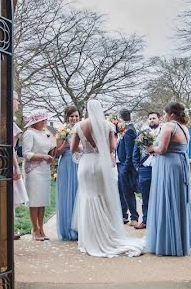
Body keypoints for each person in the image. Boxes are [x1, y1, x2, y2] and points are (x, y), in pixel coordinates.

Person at [70, 99, 143, 258]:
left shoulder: (79, 126)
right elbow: (111, 147)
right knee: (103, 197)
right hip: (102, 164)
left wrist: (85, 148)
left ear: (88, 110)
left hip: (86, 164)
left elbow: (73, 148)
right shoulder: (108, 125)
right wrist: (100, 147)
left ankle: (89, 239)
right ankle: (106, 235)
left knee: (87, 197)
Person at [143, 102, 191, 256]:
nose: (163, 116)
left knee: (167, 199)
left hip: (168, 166)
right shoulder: (185, 128)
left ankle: (168, 243)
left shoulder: (169, 126)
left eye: (164, 113)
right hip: (180, 164)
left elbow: (161, 149)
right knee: (178, 201)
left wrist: (150, 148)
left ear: (172, 114)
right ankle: (179, 240)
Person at [21, 110, 55, 241]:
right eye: (42, 120)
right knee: (35, 200)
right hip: (33, 170)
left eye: (45, 120)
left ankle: (42, 228)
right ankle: (35, 229)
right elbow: (26, 154)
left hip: (44, 168)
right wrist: (43, 156)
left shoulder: (46, 133)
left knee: (43, 200)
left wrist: (53, 144)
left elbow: (52, 149)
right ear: (35, 122)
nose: (45, 122)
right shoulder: (29, 133)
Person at [55, 105, 81, 241]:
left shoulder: (83, 128)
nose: (74, 118)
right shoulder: (61, 131)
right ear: (67, 117)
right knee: (67, 194)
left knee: (79, 193)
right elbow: (56, 153)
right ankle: (67, 229)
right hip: (66, 163)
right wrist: (64, 145)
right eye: (71, 116)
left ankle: (80, 228)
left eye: (76, 116)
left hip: (80, 163)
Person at [132, 111, 161, 230]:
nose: (151, 120)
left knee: (159, 194)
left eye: (154, 118)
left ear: (159, 119)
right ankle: (145, 220)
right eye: (149, 119)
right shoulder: (142, 133)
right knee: (145, 196)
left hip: (159, 166)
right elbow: (136, 150)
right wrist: (137, 166)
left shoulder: (163, 131)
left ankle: (158, 221)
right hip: (144, 167)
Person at [116, 109, 139, 225]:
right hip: (119, 164)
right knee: (122, 191)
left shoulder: (129, 131)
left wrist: (125, 169)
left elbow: (130, 153)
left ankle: (134, 217)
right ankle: (124, 215)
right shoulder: (124, 130)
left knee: (128, 191)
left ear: (121, 118)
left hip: (125, 165)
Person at [11, 96, 29, 240]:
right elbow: (11, 150)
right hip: (11, 164)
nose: (18, 102)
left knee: (11, 198)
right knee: (11, 197)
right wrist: (16, 168)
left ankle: (10, 228)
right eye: (16, 99)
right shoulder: (9, 125)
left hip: (10, 162)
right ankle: (8, 229)